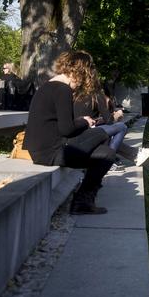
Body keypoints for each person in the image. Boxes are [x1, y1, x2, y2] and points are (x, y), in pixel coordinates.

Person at [23, 50, 116, 215]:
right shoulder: (62, 89)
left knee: (105, 147)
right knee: (105, 143)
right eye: (83, 78)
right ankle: (82, 201)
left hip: (42, 150)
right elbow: (66, 129)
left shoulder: (47, 86)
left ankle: (83, 201)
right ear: (78, 73)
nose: (80, 84)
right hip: (52, 153)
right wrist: (84, 122)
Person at [73, 87, 149, 167]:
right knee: (121, 127)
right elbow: (109, 120)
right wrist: (117, 115)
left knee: (109, 134)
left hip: (77, 133)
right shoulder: (97, 95)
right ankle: (108, 160)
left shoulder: (76, 95)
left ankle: (135, 154)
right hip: (86, 133)